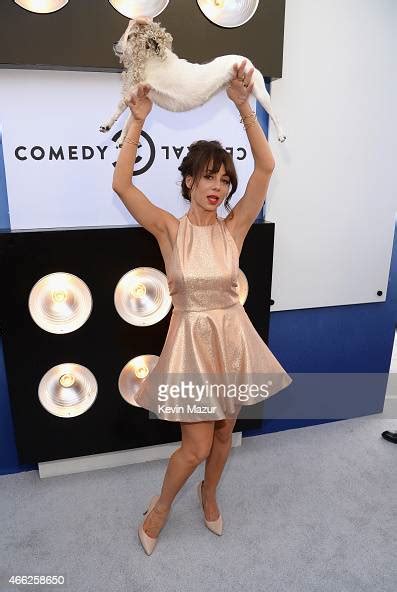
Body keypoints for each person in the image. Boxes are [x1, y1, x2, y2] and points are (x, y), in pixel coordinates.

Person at [112, 61, 292, 555]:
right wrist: (138, 118)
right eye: (208, 177)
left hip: (232, 341)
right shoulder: (172, 230)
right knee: (194, 445)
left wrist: (243, 106)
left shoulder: (233, 229)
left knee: (223, 435)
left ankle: (209, 494)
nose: (218, 187)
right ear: (189, 181)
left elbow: (267, 168)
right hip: (191, 346)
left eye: (225, 180)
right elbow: (123, 187)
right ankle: (163, 506)